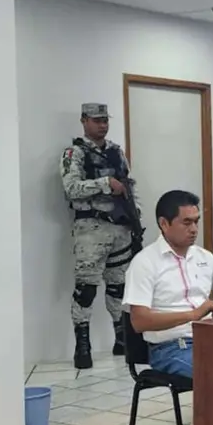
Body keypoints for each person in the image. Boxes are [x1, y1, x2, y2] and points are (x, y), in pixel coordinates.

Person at [123, 190, 213, 378]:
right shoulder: (145, 262)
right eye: (186, 222)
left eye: (196, 222)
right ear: (164, 224)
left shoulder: (203, 256)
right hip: (170, 348)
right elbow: (139, 321)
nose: (194, 229)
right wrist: (193, 315)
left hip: (211, 337)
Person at [60, 103, 142, 369]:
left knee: (119, 286)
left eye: (105, 120)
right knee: (86, 290)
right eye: (97, 120)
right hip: (91, 230)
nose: (102, 125)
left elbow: (128, 184)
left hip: (120, 228)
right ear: (84, 121)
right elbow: (71, 188)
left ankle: (122, 339)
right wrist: (104, 183)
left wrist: (135, 215)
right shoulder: (74, 153)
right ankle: (82, 346)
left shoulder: (117, 152)